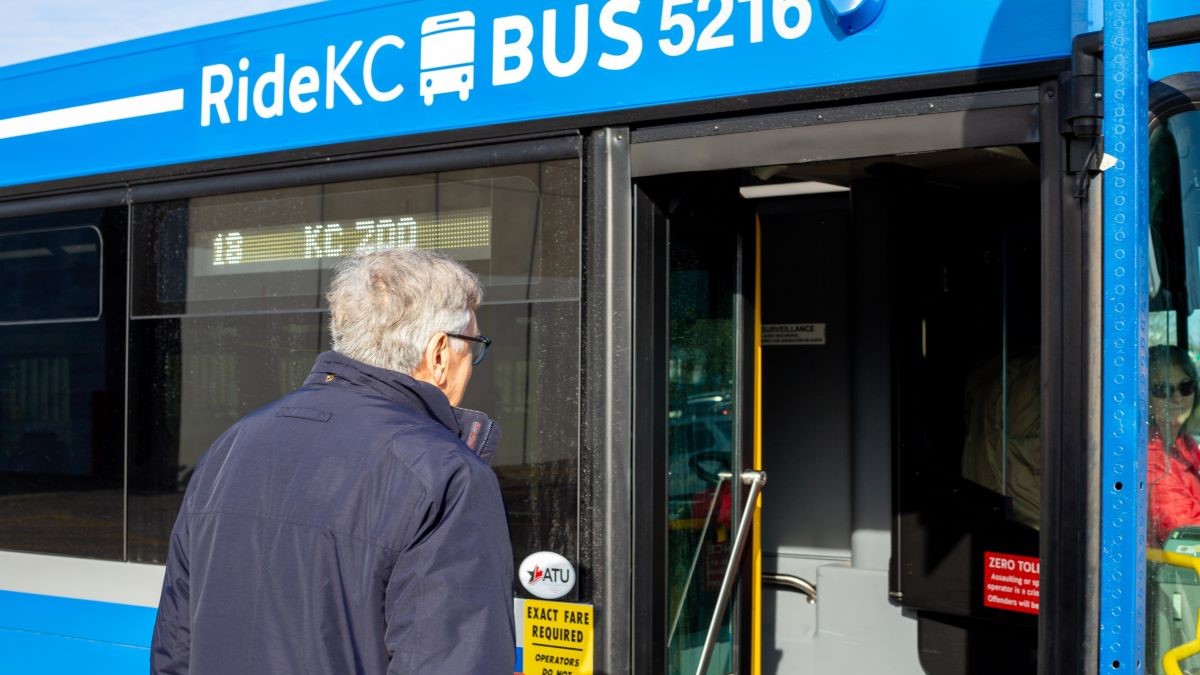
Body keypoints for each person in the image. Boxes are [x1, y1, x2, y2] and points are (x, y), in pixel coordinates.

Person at [151, 248, 515, 674]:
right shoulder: (446, 475)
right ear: (438, 353)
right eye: (474, 347)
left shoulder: (232, 444)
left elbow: (176, 650)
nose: (472, 364)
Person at [1147, 344, 1200, 545]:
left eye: (1185, 387)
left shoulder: (1185, 445)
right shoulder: (1151, 461)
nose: (1177, 397)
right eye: (1162, 390)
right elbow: (1185, 532)